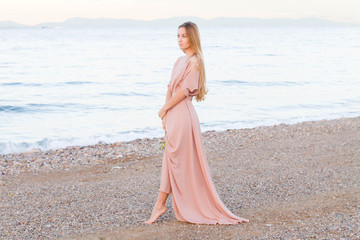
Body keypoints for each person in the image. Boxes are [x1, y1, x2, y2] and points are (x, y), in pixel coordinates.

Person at [144, 21, 249, 225]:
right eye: (178, 36)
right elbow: (169, 88)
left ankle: (161, 203)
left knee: (175, 159)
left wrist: (166, 109)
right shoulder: (178, 61)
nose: (180, 40)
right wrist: (165, 113)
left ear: (192, 37)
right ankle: (161, 204)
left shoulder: (196, 61)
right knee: (170, 157)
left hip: (183, 114)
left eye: (183, 36)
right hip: (173, 114)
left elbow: (184, 91)